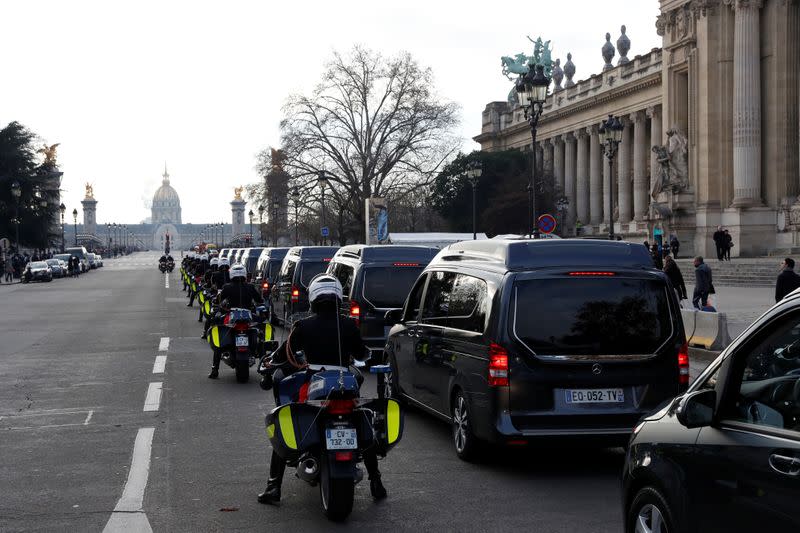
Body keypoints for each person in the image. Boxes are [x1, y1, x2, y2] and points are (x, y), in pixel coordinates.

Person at [257, 274, 386, 505]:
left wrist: (269, 362)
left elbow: (283, 354)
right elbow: (362, 354)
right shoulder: (348, 324)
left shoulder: (303, 325)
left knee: (287, 414)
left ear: (314, 298)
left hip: (312, 379)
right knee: (361, 420)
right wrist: (366, 356)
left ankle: (273, 486)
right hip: (343, 379)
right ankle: (376, 481)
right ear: (338, 297)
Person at [208, 263, 263, 379]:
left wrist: (218, 306)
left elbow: (219, 301)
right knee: (262, 335)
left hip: (232, 316)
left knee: (218, 335)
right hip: (248, 316)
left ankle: (215, 370)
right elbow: (260, 300)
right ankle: (265, 368)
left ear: (231, 274)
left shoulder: (227, 287)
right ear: (244, 274)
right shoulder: (250, 287)